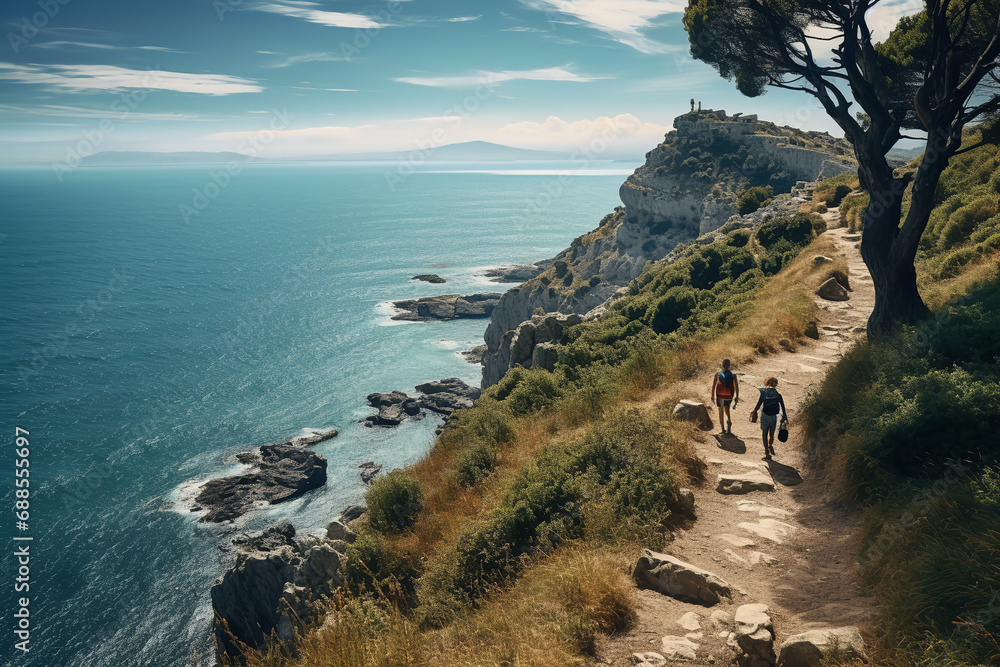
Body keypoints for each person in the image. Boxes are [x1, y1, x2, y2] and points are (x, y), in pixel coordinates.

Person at [752, 377, 787, 459]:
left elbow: (759, 404)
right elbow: (783, 407)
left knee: (764, 434)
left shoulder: (764, 393)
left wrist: (754, 411)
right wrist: (784, 416)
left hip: (765, 415)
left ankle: (767, 453)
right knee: (771, 434)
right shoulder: (778, 395)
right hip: (774, 417)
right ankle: (770, 444)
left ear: (766, 383)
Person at [711, 359, 739, 435]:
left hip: (719, 395)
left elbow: (714, 386)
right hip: (729, 395)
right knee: (727, 409)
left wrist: (712, 397)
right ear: (729, 366)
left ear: (722, 366)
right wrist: (736, 397)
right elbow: (736, 387)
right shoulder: (733, 375)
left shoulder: (717, 375)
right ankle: (729, 421)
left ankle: (723, 429)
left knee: (720, 412)